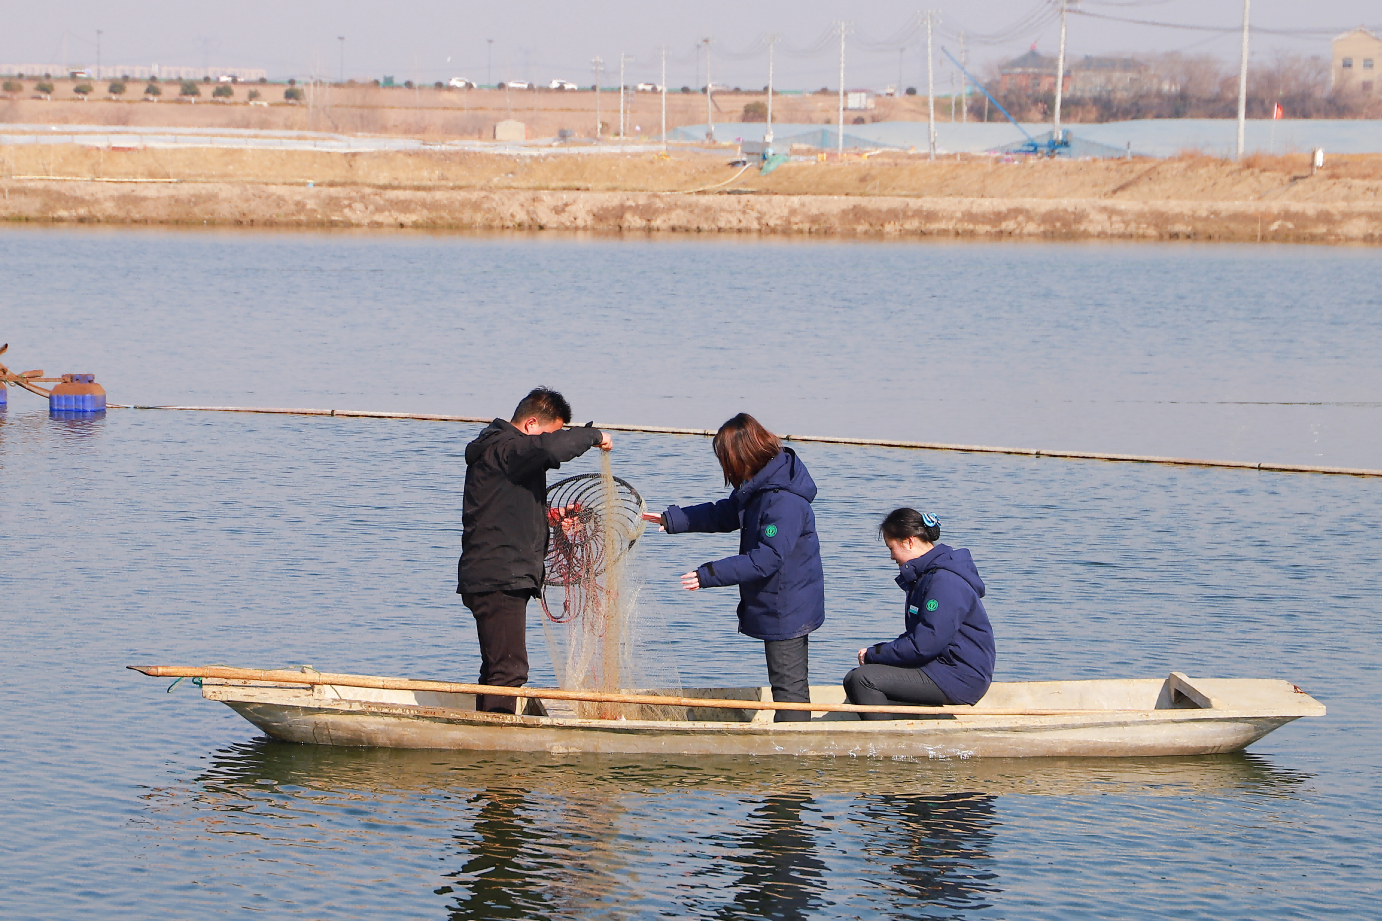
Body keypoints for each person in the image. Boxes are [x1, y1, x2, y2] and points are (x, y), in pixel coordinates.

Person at [645, 413, 825, 722]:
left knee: (788, 688)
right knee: (786, 682)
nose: (725, 467)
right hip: (777, 599)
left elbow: (766, 558)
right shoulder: (762, 484)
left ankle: (793, 748)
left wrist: (708, 574)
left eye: (726, 459)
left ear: (744, 456)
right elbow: (726, 513)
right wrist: (673, 519)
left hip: (788, 604)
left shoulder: (784, 502)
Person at [457, 387, 611, 713]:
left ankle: (486, 730)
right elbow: (550, 449)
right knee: (509, 669)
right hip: (499, 577)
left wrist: (552, 516)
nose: (550, 440)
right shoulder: (507, 447)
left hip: (492, 574)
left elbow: (504, 509)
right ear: (530, 425)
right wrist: (594, 436)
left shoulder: (502, 453)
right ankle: (496, 737)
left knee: (497, 667)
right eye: (549, 432)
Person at [843, 508, 995, 719]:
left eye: (891, 548)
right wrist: (879, 654)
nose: (891, 557)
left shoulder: (944, 581)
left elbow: (925, 643)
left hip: (960, 675)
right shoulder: (926, 577)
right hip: (940, 666)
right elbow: (921, 638)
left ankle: (887, 739)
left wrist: (874, 654)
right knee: (860, 675)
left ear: (909, 541)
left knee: (862, 679)